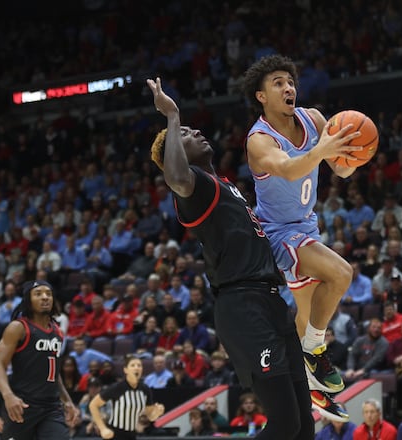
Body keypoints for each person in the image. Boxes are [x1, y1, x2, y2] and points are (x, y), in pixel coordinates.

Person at [147, 76, 318, 438]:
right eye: (187, 136)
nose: (197, 134)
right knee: (285, 424)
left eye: (192, 130)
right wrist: (173, 118)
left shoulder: (223, 186)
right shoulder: (193, 188)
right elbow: (176, 177)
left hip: (271, 302)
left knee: (304, 426)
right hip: (243, 308)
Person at [243, 54, 360, 418]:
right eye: (277, 83)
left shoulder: (313, 119)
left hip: (307, 226)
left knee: (307, 315)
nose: (288, 87)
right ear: (262, 96)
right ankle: (315, 352)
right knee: (341, 274)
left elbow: (341, 172)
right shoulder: (260, 140)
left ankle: (308, 385)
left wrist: (356, 154)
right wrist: (320, 149)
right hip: (278, 233)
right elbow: (290, 169)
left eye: (290, 81)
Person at [0, 280, 78, 440]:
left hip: (51, 407)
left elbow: (53, 371)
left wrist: (66, 400)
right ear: (28, 300)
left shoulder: (57, 331)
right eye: (38, 294)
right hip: (23, 405)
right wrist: (8, 395)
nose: (45, 297)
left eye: (48, 294)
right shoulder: (18, 328)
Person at [88, 355, 165, 440]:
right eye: (133, 365)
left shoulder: (145, 389)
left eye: (139, 365)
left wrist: (156, 413)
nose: (136, 368)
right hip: (114, 434)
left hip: (132, 435)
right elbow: (93, 404)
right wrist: (102, 428)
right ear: (126, 370)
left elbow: (150, 416)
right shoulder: (117, 388)